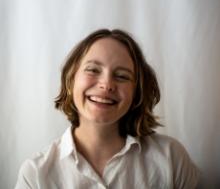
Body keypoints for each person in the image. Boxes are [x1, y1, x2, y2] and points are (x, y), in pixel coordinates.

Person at [15, 29, 200, 189]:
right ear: (70, 80)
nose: (107, 84)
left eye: (121, 76)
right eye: (93, 70)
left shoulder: (172, 158)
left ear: (137, 92)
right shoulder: (35, 175)